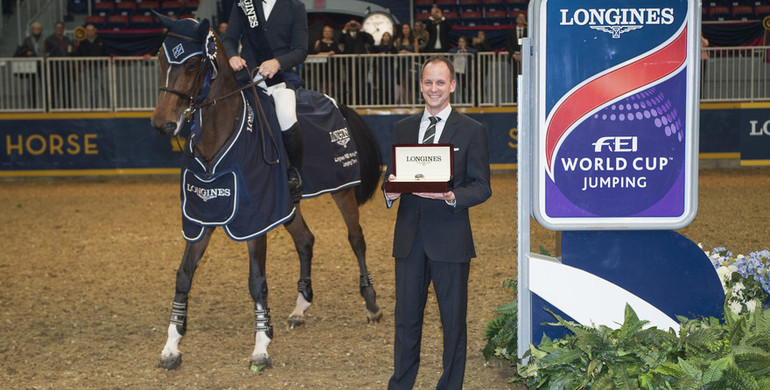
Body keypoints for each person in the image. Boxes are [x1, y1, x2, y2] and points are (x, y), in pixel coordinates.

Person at [383, 55, 492, 390]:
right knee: (405, 322)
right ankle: (401, 384)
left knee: (453, 324)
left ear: (453, 86)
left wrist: (452, 197)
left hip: (450, 238)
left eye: (440, 82)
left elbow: (482, 186)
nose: (434, 89)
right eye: (428, 82)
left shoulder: (473, 131)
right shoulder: (402, 128)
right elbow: (394, 178)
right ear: (420, 85)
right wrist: (389, 190)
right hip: (409, 239)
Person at [223, 0, 309, 201]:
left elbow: (301, 50)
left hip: (277, 78)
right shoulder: (243, 4)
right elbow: (229, 39)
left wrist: (278, 63)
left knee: (286, 116)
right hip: (245, 76)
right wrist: (232, 56)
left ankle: (294, 173)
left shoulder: (295, 7)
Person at [74, 24, 111, 108]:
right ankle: (94, 107)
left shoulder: (101, 41)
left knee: (104, 87)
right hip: (88, 68)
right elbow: (78, 55)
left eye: (92, 30)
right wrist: (76, 46)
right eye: (88, 30)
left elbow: (107, 53)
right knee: (91, 89)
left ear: (95, 31)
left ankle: (108, 106)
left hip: (99, 68)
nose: (90, 32)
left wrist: (103, 64)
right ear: (86, 32)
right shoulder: (82, 42)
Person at [338, 19, 374, 105]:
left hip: (361, 63)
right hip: (349, 63)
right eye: (351, 24)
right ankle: (350, 101)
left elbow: (370, 41)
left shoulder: (362, 34)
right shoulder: (345, 34)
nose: (353, 26)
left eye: (354, 24)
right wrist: (344, 29)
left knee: (361, 82)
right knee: (350, 82)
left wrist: (361, 29)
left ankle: (361, 101)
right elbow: (339, 40)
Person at [45, 21, 74, 109]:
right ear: (54, 29)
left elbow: (70, 52)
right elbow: (47, 52)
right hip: (55, 67)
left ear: (63, 29)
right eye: (57, 27)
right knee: (53, 88)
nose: (59, 29)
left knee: (67, 88)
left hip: (66, 67)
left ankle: (67, 107)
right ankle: (52, 107)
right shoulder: (49, 39)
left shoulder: (67, 39)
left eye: (61, 27)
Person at [394, 23, 419, 104]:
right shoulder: (399, 40)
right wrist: (401, 53)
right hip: (402, 63)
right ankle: (406, 101)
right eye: (404, 28)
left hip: (410, 63)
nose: (405, 30)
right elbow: (397, 52)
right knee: (403, 83)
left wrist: (406, 52)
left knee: (409, 83)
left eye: (407, 28)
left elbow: (416, 53)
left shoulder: (414, 40)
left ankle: (411, 101)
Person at [448, 36, 477, 104]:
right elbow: (450, 51)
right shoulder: (456, 49)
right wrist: (459, 50)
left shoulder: (468, 49)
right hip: (459, 70)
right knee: (461, 86)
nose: (461, 43)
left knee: (468, 86)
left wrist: (466, 51)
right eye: (460, 42)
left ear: (466, 43)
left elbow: (475, 51)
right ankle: (463, 101)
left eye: (463, 42)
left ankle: (469, 101)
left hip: (467, 70)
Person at [373, 31, 396, 104]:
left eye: (387, 36)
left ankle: (391, 102)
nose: (386, 37)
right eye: (384, 36)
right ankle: (381, 102)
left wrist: (385, 54)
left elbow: (394, 53)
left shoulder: (392, 47)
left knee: (389, 85)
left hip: (389, 68)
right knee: (381, 85)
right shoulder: (379, 47)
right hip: (380, 68)